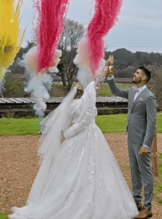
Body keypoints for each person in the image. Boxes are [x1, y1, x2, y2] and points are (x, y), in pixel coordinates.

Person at [9, 80, 139, 219]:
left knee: (71, 169)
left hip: (77, 138)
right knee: (99, 167)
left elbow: (66, 124)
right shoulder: (88, 100)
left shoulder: (71, 105)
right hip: (93, 136)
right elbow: (87, 117)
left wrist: (68, 133)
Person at [107, 65, 157, 219]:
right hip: (131, 138)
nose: (133, 74)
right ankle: (137, 202)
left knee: (146, 173)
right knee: (134, 171)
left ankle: (148, 207)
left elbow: (151, 122)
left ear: (144, 78)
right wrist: (110, 77)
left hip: (142, 141)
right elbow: (115, 91)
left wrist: (146, 144)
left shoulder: (149, 97)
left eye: (137, 73)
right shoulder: (131, 91)